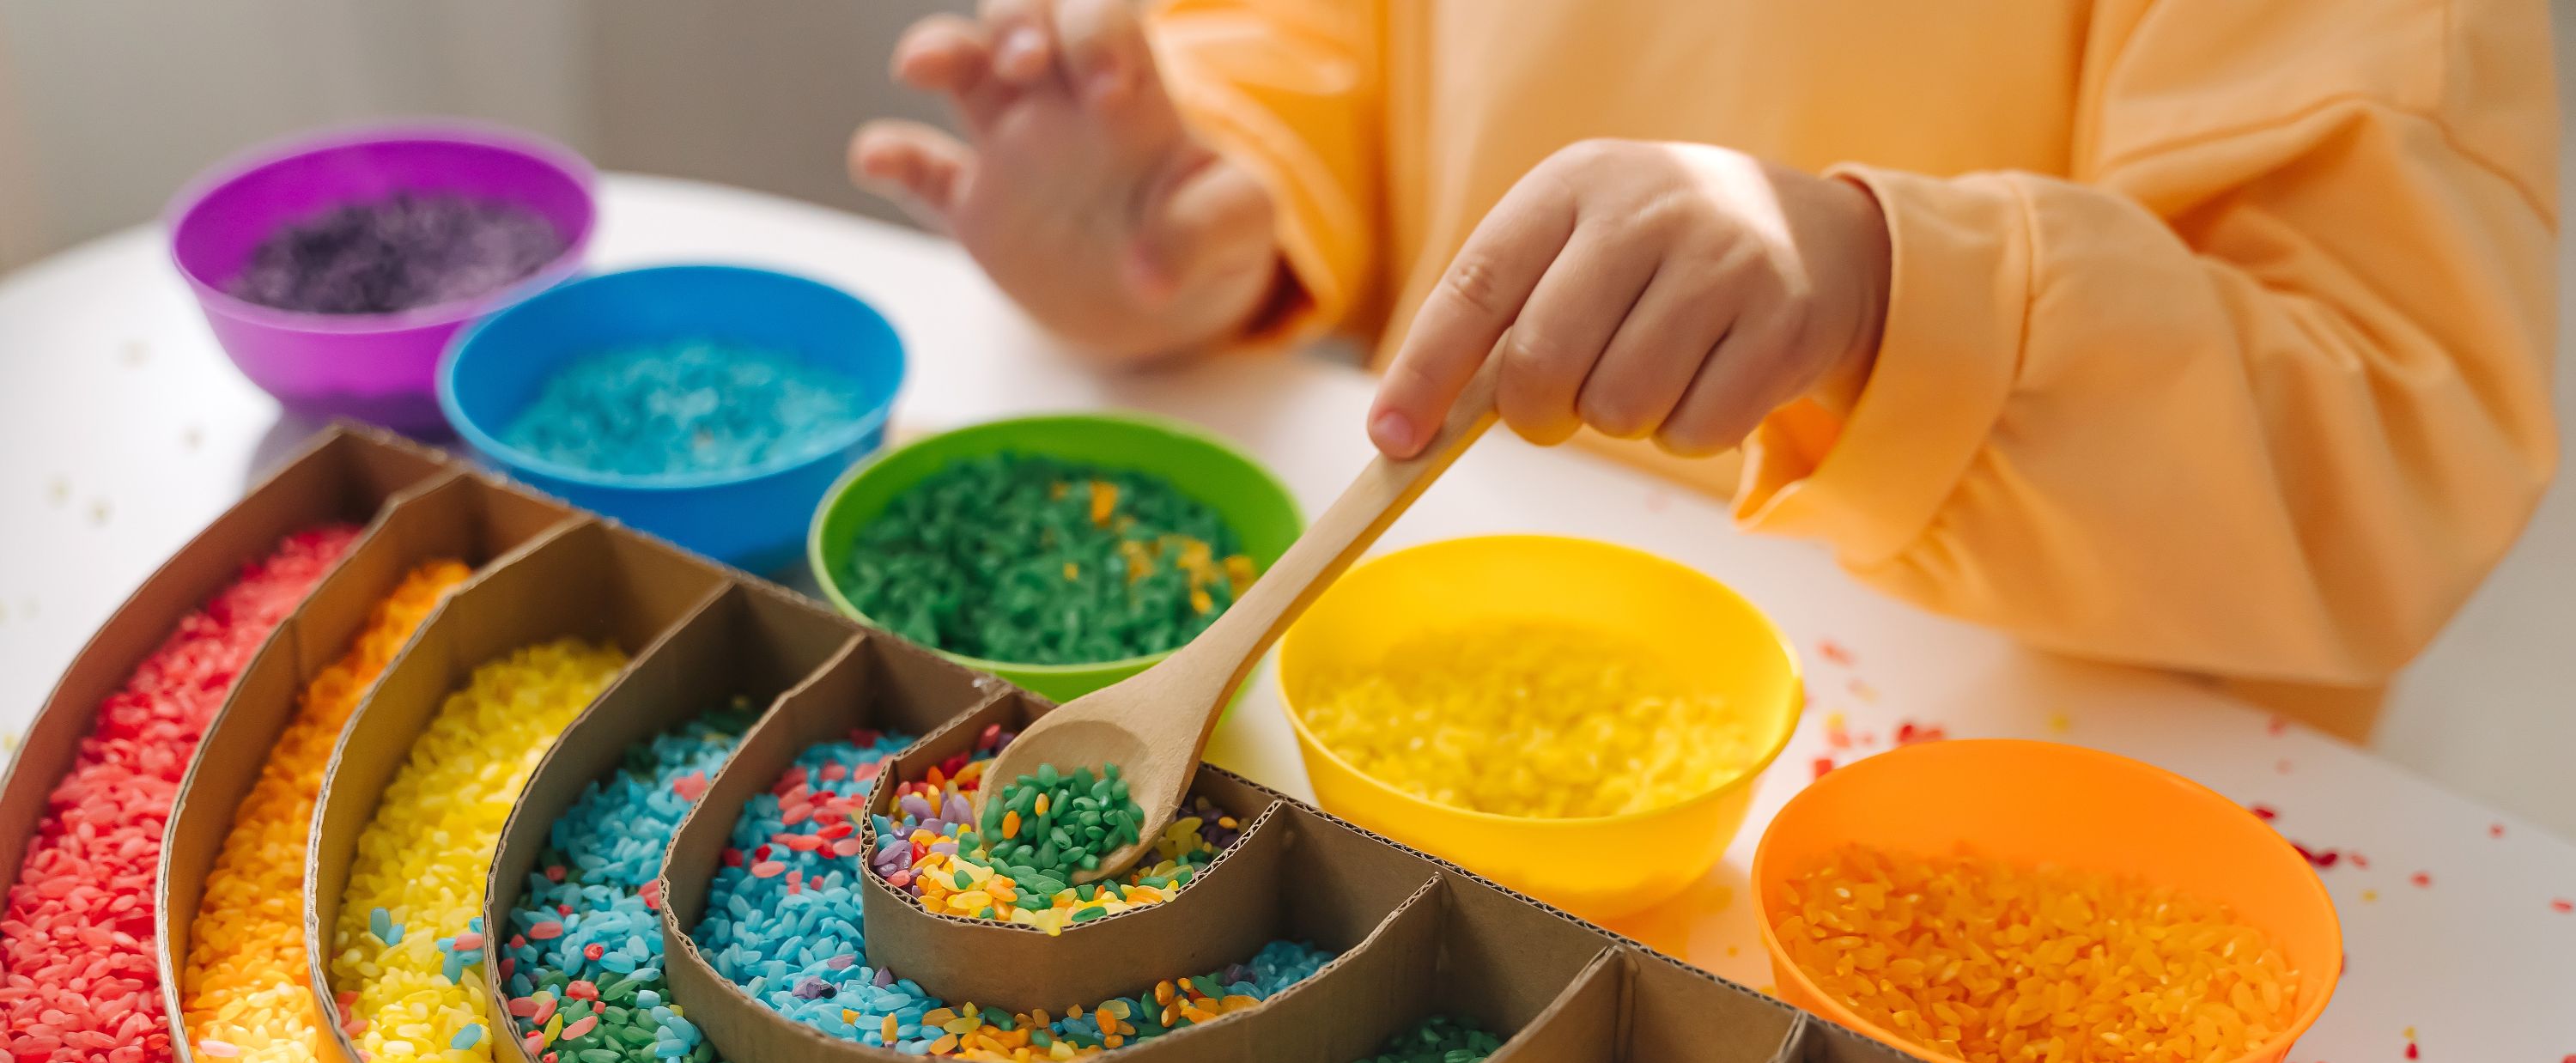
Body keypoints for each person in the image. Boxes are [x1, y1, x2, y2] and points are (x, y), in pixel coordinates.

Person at [852, 0, 2557, 739]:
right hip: (1471, 689)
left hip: (2027, 792)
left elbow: (2381, 435)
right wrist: (1210, 191)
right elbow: (1353, 56)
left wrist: (1889, 298)